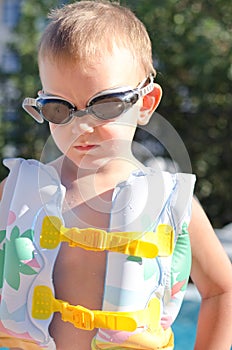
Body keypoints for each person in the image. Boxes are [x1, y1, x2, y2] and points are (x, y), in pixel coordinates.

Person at [0, 1, 232, 349]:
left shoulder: (169, 202)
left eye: (105, 105)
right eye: (59, 108)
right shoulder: (15, 192)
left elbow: (221, 290)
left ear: (146, 103)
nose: (81, 126)